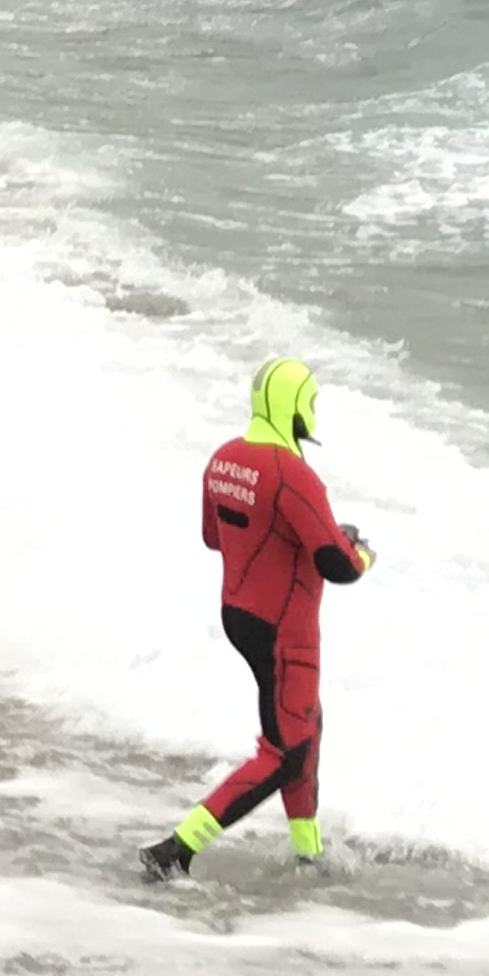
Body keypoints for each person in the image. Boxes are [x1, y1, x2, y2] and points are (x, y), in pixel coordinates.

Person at [145, 359, 373, 883]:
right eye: (310, 403)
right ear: (292, 404)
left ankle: (307, 853)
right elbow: (339, 566)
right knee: (286, 751)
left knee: (304, 726)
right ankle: (177, 848)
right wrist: (363, 553)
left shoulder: (224, 459)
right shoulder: (294, 475)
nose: (312, 414)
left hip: (239, 616)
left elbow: (213, 535)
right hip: (286, 632)